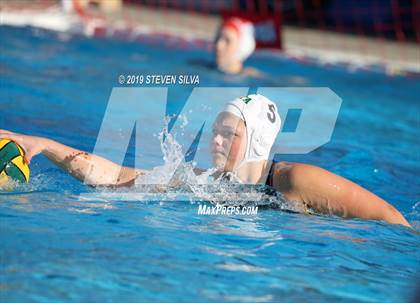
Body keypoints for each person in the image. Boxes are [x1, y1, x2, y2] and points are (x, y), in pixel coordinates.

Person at [0, 94, 410, 227]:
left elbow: (390, 219)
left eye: (230, 133)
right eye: (215, 129)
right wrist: (44, 144)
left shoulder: (297, 180)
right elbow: (115, 177)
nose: (215, 139)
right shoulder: (203, 181)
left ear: (258, 140)